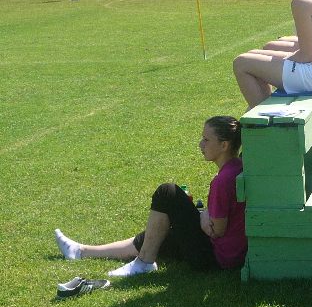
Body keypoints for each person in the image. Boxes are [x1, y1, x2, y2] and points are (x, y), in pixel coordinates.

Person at [54, 116, 247, 277]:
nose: (200, 144)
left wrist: (203, 215)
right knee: (157, 235)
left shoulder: (223, 181)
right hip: (227, 253)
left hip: (216, 258)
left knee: (167, 192)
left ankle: (144, 262)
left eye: (206, 140)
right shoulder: (238, 167)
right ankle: (81, 251)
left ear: (224, 145)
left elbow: (216, 231)